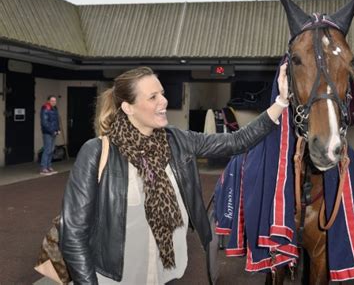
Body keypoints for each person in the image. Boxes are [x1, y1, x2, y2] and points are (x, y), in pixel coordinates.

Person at [60, 64, 289, 284]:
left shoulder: (177, 141)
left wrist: (280, 101)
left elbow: (236, 141)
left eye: (162, 93)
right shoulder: (97, 152)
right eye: (153, 97)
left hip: (165, 273)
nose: (164, 101)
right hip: (115, 278)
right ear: (128, 107)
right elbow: (73, 233)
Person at [40, 95, 60, 175]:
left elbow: (56, 121)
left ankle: (49, 166)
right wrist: (52, 131)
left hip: (54, 132)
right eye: (52, 101)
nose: (54, 102)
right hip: (47, 133)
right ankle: (43, 168)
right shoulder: (45, 108)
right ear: (48, 101)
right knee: (47, 149)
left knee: (51, 150)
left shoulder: (55, 108)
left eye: (55, 101)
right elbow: (45, 123)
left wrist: (58, 129)